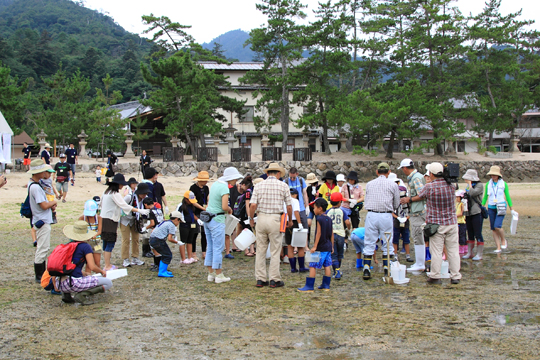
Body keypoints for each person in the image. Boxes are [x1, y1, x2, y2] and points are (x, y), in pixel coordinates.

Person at [410, 162, 462, 285]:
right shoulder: (451, 185)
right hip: (451, 222)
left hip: (436, 223)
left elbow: (420, 195)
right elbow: (455, 185)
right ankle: (455, 276)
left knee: (437, 251)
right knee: (453, 250)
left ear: (431, 174)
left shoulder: (429, 187)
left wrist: (409, 199)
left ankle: (435, 275)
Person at [250, 163, 293, 288]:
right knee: (275, 250)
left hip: (261, 217)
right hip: (276, 219)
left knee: (261, 250)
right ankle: (274, 279)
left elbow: (253, 205)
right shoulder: (283, 185)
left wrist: (251, 218)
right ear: (278, 173)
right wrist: (290, 220)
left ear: (267, 173)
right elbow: (289, 206)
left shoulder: (258, 185)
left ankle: (260, 278)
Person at [100, 174, 150, 271]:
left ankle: (134, 257)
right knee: (114, 242)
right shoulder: (115, 194)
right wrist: (140, 211)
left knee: (133, 239)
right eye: (121, 184)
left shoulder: (106, 192)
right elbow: (124, 206)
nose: (122, 186)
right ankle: (110, 264)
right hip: (114, 219)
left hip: (107, 218)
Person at [55, 221, 112, 305]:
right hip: (74, 283)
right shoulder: (85, 246)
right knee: (108, 283)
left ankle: (66, 295)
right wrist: (101, 271)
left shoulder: (66, 245)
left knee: (78, 275)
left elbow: (63, 266)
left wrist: (83, 273)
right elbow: (92, 266)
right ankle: (82, 295)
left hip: (60, 283)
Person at [204, 167, 243, 283]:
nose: (235, 181)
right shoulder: (224, 188)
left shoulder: (215, 184)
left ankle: (210, 273)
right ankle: (219, 274)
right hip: (217, 219)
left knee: (210, 246)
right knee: (218, 247)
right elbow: (224, 207)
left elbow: (209, 200)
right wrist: (230, 209)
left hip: (208, 218)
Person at [362, 162, 400, 280]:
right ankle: (386, 267)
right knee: (387, 241)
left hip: (372, 214)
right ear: (389, 172)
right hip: (386, 215)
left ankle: (367, 267)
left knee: (369, 241)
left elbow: (367, 198)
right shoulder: (393, 185)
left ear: (377, 172)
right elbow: (397, 203)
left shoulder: (369, 184)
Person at [27, 159, 57, 283]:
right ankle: (39, 276)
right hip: (42, 220)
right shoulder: (36, 188)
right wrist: (53, 202)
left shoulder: (33, 185)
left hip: (40, 219)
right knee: (42, 248)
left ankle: (41, 274)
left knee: (43, 248)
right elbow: (43, 205)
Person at [297, 198, 334, 292]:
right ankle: (326, 285)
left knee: (312, 265)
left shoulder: (319, 219)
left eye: (314, 208)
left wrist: (314, 246)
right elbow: (332, 234)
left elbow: (318, 233)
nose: (313, 210)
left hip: (320, 247)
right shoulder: (329, 219)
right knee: (327, 265)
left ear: (320, 208)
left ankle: (309, 286)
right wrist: (332, 246)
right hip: (328, 246)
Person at [398, 158, 428, 272]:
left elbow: (422, 195)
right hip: (418, 210)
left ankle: (420, 263)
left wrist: (408, 199)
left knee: (417, 236)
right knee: (418, 236)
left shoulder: (415, 178)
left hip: (418, 211)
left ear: (405, 168)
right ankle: (420, 262)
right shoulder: (417, 177)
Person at [482, 165, 514, 253]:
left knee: (497, 226)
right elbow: (485, 197)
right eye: (492, 175)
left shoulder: (504, 184)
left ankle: (503, 239)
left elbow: (507, 196)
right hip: (491, 207)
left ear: (498, 175)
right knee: (493, 228)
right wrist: (482, 205)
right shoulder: (488, 184)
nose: (493, 176)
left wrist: (511, 208)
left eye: (495, 175)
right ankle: (498, 247)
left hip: (501, 206)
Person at [120, 182, 150, 268]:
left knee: (136, 239)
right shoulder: (129, 197)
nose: (145, 195)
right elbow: (123, 206)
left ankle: (135, 257)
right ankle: (125, 258)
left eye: (146, 193)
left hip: (135, 220)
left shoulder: (145, 199)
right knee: (126, 239)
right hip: (125, 220)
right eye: (143, 193)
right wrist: (137, 210)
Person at [149, 211, 183, 278]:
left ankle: (163, 270)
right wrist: (178, 242)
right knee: (167, 255)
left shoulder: (165, 222)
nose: (179, 223)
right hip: (158, 240)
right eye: (179, 221)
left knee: (165, 254)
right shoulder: (172, 225)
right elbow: (170, 239)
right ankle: (162, 272)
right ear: (176, 219)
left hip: (152, 239)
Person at [462, 169, 485, 260]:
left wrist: (470, 184)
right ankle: (470, 252)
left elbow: (473, 193)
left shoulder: (479, 186)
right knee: (470, 232)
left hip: (476, 212)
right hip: (468, 212)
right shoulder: (468, 186)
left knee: (478, 233)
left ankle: (479, 253)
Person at [327, 192, 350, 280]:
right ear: (340, 202)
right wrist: (348, 229)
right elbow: (347, 222)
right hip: (340, 234)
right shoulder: (342, 211)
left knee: (333, 254)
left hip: (331, 235)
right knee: (340, 254)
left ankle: (336, 271)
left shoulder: (328, 211)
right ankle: (338, 270)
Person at [284, 188, 308, 273]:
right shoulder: (295, 201)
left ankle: (293, 268)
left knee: (290, 246)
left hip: (285, 222)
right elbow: (296, 212)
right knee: (300, 246)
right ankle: (301, 267)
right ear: (296, 195)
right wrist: (300, 223)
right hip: (294, 222)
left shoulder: (284, 201)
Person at [390, 174, 413, 263]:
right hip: (396, 220)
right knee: (395, 238)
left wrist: (406, 218)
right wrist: (398, 217)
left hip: (405, 220)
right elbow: (391, 212)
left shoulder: (407, 203)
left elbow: (410, 211)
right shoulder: (393, 201)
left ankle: (408, 255)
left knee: (406, 238)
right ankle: (395, 255)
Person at [233, 175, 255, 256]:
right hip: (246, 215)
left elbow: (247, 205)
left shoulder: (247, 193)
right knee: (248, 231)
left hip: (244, 215)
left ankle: (250, 249)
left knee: (247, 230)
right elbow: (247, 205)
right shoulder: (250, 192)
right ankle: (248, 250)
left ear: (244, 185)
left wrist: (249, 216)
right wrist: (250, 216)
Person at [190, 171, 210, 259]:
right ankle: (193, 253)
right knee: (194, 232)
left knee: (204, 233)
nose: (206, 182)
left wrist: (207, 205)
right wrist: (202, 208)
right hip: (196, 210)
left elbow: (208, 197)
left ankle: (204, 252)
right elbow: (192, 201)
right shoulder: (193, 188)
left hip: (204, 211)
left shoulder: (206, 188)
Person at [177, 190, 202, 264]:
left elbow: (192, 214)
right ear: (186, 199)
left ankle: (190, 257)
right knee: (183, 242)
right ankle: (183, 258)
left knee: (190, 241)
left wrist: (198, 220)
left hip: (192, 225)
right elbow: (176, 215)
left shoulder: (191, 206)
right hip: (184, 226)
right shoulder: (181, 206)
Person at [78, 199, 103, 268]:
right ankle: (88, 277)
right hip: (86, 243)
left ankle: (99, 277)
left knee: (97, 263)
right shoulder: (82, 218)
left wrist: (94, 235)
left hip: (96, 242)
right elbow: (79, 231)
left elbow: (99, 231)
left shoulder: (99, 218)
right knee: (88, 264)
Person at [141, 197, 162, 270]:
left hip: (155, 231)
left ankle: (157, 265)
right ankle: (157, 264)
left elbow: (152, 223)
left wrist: (145, 227)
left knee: (155, 249)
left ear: (146, 204)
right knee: (159, 248)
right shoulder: (159, 210)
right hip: (161, 230)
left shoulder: (151, 211)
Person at [455, 190, 468, 255]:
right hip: (458, 222)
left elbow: (461, 213)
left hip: (461, 222)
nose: (457, 198)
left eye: (458, 197)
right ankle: (465, 247)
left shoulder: (462, 204)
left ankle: (462, 247)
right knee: (460, 234)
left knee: (461, 235)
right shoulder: (457, 204)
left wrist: (454, 216)